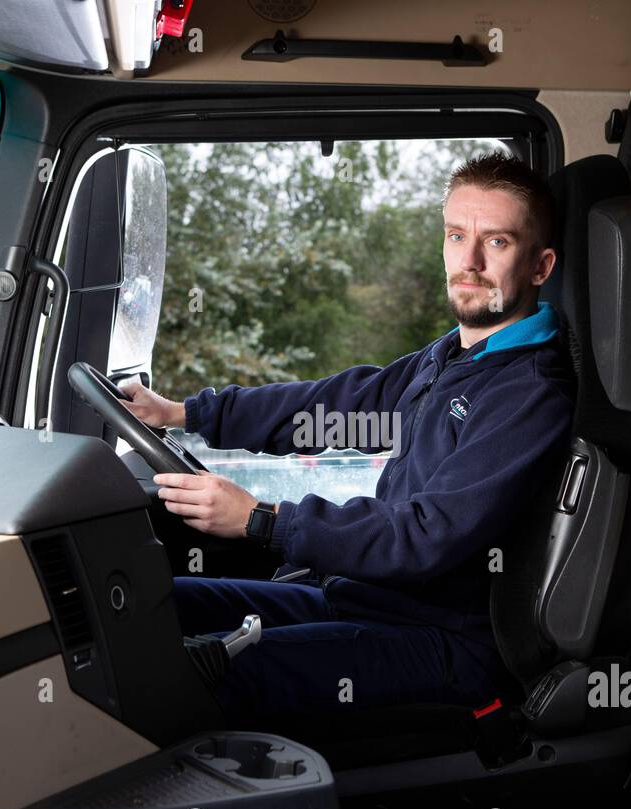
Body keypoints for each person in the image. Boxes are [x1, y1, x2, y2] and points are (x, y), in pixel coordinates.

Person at [119, 152, 576, 725]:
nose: (471, 260)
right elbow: (336, 407)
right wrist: (185, 412)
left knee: (198, 671)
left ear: (540, 266)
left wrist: (263, 519)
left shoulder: (528, 392)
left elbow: (424, 535)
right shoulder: (453, 358)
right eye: (457, 235)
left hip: (447, 640)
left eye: (498, 242)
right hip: (368, 597)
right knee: (162, 607)